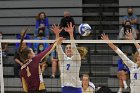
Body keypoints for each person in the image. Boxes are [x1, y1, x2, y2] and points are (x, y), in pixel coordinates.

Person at [51, 22, 87, 93]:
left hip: (76, 88)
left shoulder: (76, 58)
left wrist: (71, 34)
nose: (68, 49)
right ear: (65, 50)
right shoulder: (63, 59)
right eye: (67, 48)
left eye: (70, 48)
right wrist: (57, 34)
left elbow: (73, 47)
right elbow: (58, 47)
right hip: (65, 88)